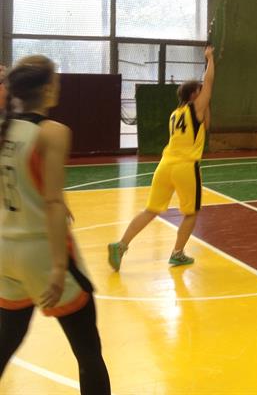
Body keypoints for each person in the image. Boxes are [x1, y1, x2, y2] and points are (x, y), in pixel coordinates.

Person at [0, 56, 111, 393]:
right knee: (88, 351)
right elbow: (51, 202)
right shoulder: (54, 132)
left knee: (5, 343)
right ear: (48, 88)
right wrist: (59, 267)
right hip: (42, 253)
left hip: (6, 251)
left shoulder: (4, 129)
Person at [108, 45, 215, 270]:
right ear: (194, 95)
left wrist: (206, 104)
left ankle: (121, 244)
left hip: (165, 165)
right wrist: (209, 58)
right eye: (200, 91)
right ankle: (177, 253)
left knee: (151, 210)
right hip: (186, 167)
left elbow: (205, 125)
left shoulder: (175, 114)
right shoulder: (194, 109)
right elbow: (209, 83)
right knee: (191, 213)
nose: (204, 92)